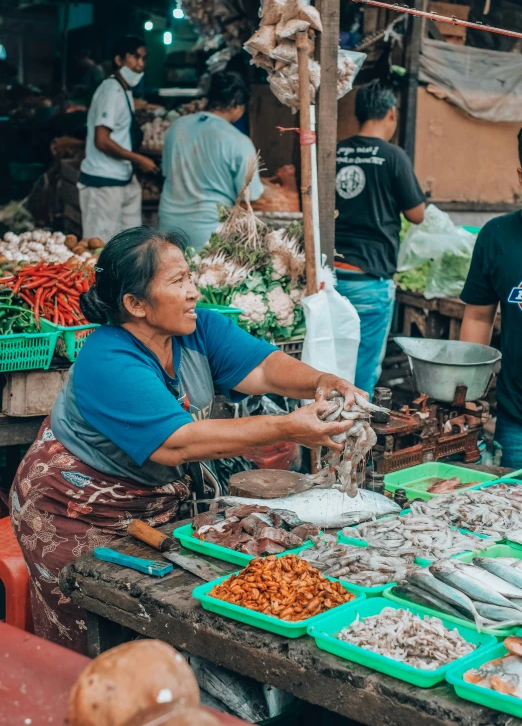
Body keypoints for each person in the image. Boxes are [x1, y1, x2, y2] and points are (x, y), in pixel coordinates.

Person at [10, 226, 365, 654]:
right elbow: (176, 443)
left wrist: (321, 381)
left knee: (158, 628)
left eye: (191, 277)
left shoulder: (196, 328)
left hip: (150, 495)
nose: (194, 292)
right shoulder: (107, 358)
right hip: (76, 508)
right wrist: (289, 426)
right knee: (97, 627)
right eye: (178, 282)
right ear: (135, 304)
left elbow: (266, 369)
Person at [334, 80, 426, 398]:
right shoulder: (393, 156)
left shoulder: (336, 151)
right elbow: (417, 214)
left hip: (328, 277)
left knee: (326, 361)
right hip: (368, 280)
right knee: (362, 370)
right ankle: (350, 441)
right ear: (390, 114)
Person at [460, 128, 522, 467]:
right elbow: (478, 317)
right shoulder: (496, 237)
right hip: (517, 423)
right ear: (521, 176)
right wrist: (467, 399)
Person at [159, 72, 264, 252]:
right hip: (209, 230)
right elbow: (250, 194)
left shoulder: (177, 127)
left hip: (169, 225)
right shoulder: (239, 141)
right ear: (237, 105)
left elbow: (167, 172)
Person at [78, 35, 158, 243]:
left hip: (122, 178)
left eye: (143, 58)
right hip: (103, 181)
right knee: (100, 248)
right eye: (135, 57)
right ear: (119, 60)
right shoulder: (110, 90)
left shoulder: (124, 90)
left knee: (128, 247)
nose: (140, 64)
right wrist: (138, 159)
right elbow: (101, 141)